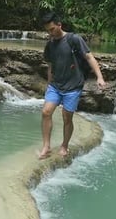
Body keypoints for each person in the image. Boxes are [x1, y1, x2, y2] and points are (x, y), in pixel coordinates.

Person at [38, 12, 106, 159]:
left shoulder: (74, 39)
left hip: (73, 86)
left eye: (52, 29)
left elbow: (89, 57)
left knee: (66, 117)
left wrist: (99, 77)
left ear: (59, 25)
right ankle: (46, 147)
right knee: (46, 112)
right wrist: (48, 84)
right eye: (47, 30)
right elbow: (50, 66)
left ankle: (64, 146)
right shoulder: (49, 45)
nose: (50, 33)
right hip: (55, 85)